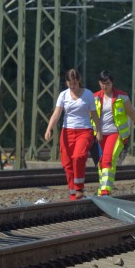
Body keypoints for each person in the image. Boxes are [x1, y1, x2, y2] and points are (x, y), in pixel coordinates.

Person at [44, 68, 100, 200]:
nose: (73, 87)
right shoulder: (63, 95)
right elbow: (56, 114)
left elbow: (94, 115)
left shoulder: (88, 94)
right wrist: (49, 128)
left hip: (85, 131)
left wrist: (99, 130)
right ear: (67, 83)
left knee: (78, 156)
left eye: (75, 83)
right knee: (67, 163)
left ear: (79, 81)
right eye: (70, 84)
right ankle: (73, 191)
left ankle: (79, 187)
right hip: (67, 131)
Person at [93, 70, 135, 196]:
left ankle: (105, 191)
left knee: (108, 158)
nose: (104, 86)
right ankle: (103, 189)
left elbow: (132, 113)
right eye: (102, 83)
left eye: (107, 83)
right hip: (99, 135)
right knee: (101, 162)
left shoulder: (121, 97)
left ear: (112, 83)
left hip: (115, 133)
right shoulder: (95, 97)